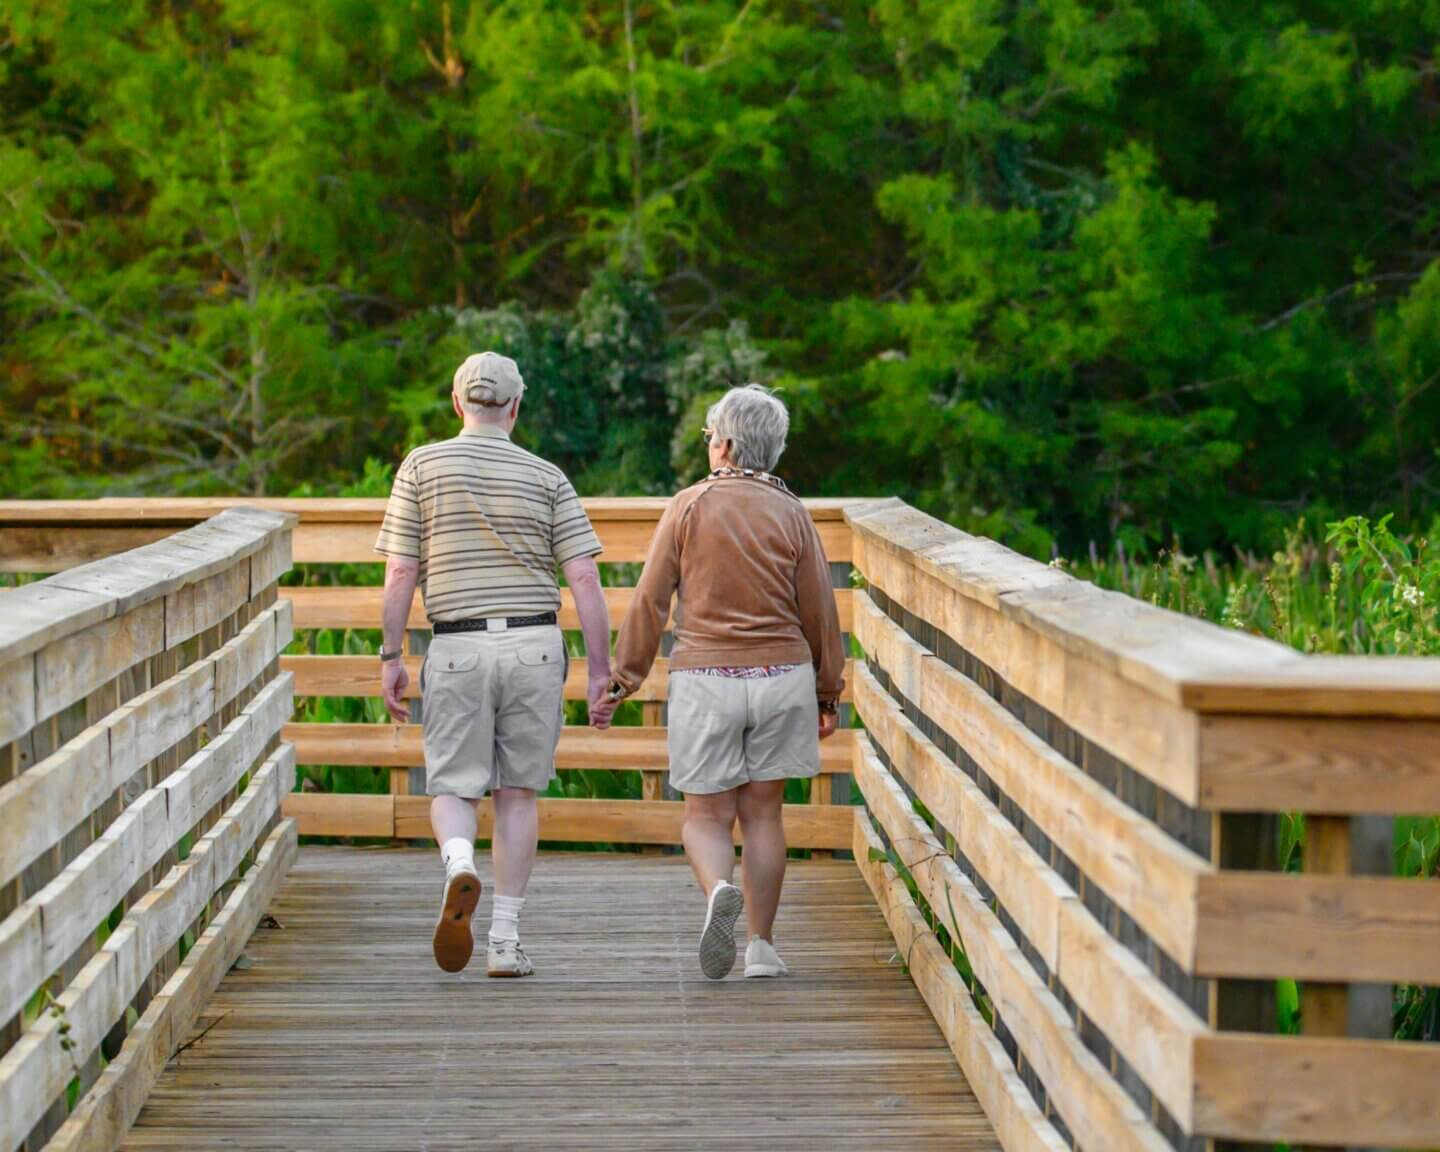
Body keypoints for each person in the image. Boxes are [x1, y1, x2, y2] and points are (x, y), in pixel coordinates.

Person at [592, 384, 845, 980]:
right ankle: (761, 946)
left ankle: (715, 894)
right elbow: (820, 610)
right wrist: (826, 692)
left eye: (710, 438)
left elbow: (652, 601)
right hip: (782, 676)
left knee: (705, 816)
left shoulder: (687, 506)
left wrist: (622, 679)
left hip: (707, 677)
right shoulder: (792, 512)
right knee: (764, 816)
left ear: (725, 444)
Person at [376, 351, 613, 977]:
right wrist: (599, 670)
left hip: (456, 645)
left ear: (458, 404)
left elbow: (401, 570)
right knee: (516, 795)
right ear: (515, 407)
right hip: (534, 646)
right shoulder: (547, 476)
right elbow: (585, 576)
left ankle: (458, 861)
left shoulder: (421, 467)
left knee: (454, 785)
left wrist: (391, 654)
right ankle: (505, 941)